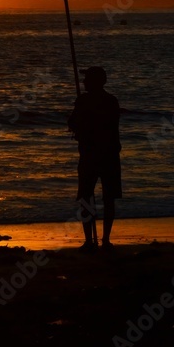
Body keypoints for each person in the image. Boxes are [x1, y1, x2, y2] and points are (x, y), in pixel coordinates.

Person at [68, 66, 121, 251]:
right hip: (110, 155)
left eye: (87, 79)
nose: (83, 82)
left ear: (94, 81)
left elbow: (72, 123)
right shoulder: (111, 101)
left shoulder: (84, 101)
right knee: (108, 198)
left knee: (87, 197)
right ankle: (105, 240)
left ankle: (90, 240)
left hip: (91, 154)